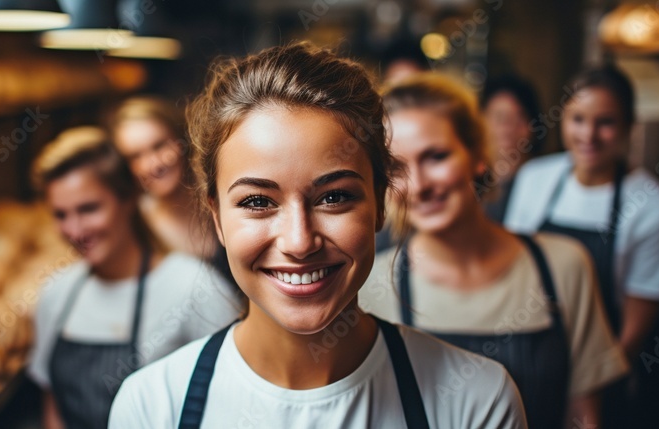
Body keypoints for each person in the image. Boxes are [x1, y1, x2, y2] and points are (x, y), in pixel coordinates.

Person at [110, 43, 527, 428]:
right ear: (216, 216)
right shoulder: (153, 406)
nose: (299, 241)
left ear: (380, 203)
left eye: (333, 197)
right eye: (258, 202)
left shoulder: (477, 399)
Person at [358, 73, 628, 428]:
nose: (419, 185)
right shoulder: (371, 287)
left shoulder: (563, 265)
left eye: (436, 157)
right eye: (397, 168)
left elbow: (583, 416)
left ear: (477, 156)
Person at [26, 127, 242, 429]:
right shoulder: (56, 293)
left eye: (88, 209)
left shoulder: (194, 288)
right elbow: (54, 409)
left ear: (128, 199)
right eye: (61, 215)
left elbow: (238, 398)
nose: (74, 231)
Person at [504, 66, 659, 428]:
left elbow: (633, 332)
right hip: (527, 356)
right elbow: (511, 273)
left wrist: (583, 389)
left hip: (604, 375)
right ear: (563, 119)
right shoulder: (535, 178)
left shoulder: (653, 206)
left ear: (630, 126)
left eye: (606, 122)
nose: (589, 134)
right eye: (578, 119)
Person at [110, 97, 234, 283]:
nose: (152, 165)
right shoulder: (135, 230)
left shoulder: (220, 189)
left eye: (159, 145)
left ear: (180, 141)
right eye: (135, 157)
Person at [478, 75, 543, 223]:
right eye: (499, 118)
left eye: (518, 118)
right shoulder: (467, 182)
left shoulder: (543, 185)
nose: (507, 128)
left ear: (533, 127)